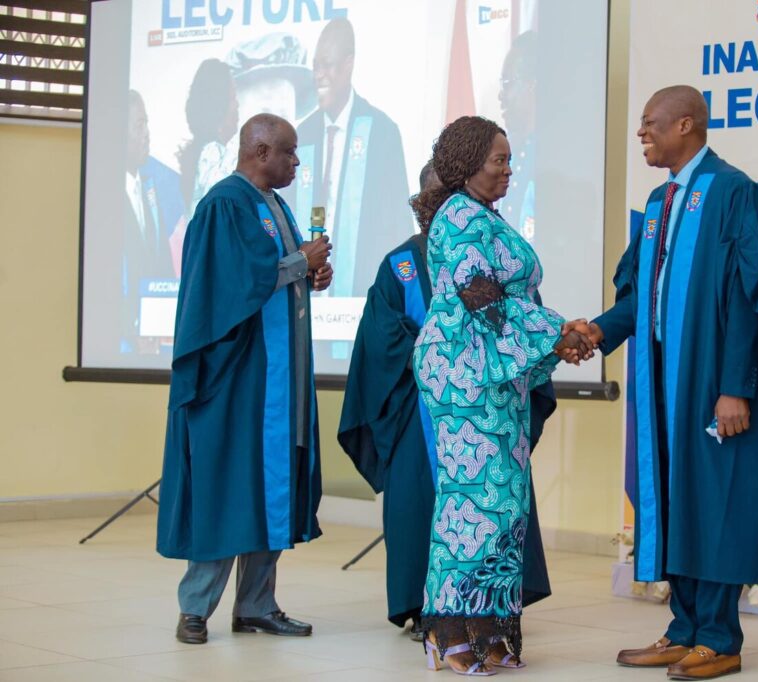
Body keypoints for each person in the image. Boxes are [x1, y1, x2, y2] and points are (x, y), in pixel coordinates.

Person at [566, 85, 758, 680]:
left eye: (651, 123)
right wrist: (597, 330)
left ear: (686, 125)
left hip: (713, 382)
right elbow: (641, 296)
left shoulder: (734, 193)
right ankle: (685, 629)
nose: (641, 133)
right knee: (677, 503)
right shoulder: (659, 201)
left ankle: (720, 638)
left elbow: (751, 299)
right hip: (662, 386)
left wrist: (736, 386)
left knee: (717, 503)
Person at [338, 161, 553, 641]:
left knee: (497, 501)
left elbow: (518, 312)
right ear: (422, 202)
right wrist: (440, 348)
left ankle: (490, 610)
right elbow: (381, 337)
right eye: (436, 197)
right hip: (422, 405)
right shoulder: (400, 265)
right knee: (423, 501)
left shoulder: (494, 248)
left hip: (491, 400)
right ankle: (430, 612)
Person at [410, 116, 592, 676]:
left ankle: (489, 628)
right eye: (499, 160)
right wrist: (558, 332)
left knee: (504, 505)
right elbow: (482, 298)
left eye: (511, 159)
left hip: (496, 374)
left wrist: (555, 337)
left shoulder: (485, 215)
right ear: (468, 163)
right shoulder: (458, 216)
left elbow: (509, 304)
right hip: (465, 376)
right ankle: (450, 632)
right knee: (472, 504)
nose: (509, 170)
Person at [157, 114, 334, 645]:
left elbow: (280, 273)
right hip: (236, 379)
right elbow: (231, 284)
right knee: (227, 487)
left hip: (278, 379)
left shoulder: (275, 205)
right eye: (289, 152)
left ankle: (256, 604)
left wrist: (312, 274)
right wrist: (299, 262)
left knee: (270, 489)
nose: (297, 162)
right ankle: (195, 608)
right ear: (260, 152)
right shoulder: (224, 204)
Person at [296, 17, 411, 299]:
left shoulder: (382, 132)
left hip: (363, 291)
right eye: (315, 66)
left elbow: (397, 222)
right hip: (305, 292)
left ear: (348, 64)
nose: (318, 75)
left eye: (327, 65)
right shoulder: (303, 135)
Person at [123, 90, 182, 349]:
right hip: (123, 338)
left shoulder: (152, 185)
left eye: (146, 123)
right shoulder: (104, 193)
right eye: (139, 125)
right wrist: (130, 332)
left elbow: (160, 264)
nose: (147, 133)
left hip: (155, 337)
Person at [177, 59, 240, 224]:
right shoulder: (212, 156)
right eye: (233, 97)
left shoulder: (201, 153)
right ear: (220, 106)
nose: (237, 105)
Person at [497, 30, 536, 242]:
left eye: (507, 83)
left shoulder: (547, 158)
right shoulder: (514, 151)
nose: (501, 96)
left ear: (532, 85)